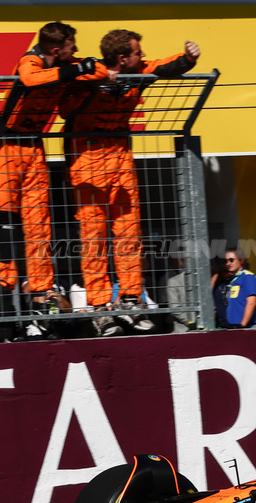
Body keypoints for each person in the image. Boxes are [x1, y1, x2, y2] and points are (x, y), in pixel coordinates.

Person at [60, 29, 199, 336]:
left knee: (129, 229)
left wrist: (188, 59)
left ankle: (131, 300)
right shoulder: (89, 72)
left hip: (120, 153)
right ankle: (99, 308)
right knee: (93, 235)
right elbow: (64, 103)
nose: (144, 56)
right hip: (87, 156)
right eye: (138, 52)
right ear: (122, 58)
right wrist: (99, 86)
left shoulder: (139, 70)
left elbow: (165, 66)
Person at [0, 22, 106, 321]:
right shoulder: (31, 61)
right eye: (71, 46)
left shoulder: (68, 64)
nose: (75, 51)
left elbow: (101, 70)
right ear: (56, 49)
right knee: (7, 228)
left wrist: (81, 70)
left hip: (35, 147)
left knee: (40, 225)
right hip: (5, 148)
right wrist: (75, 72)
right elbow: (29, 79)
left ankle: (41, 295)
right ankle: (1, 294)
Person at [214, 248, 256, 328]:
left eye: (231, 260)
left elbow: (252, 303)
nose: (228, 263)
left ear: (241, 260)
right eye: (226, 261)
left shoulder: (247, 276)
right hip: (234, 327)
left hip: (246, 327)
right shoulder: (234, 280)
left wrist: (243, 325)